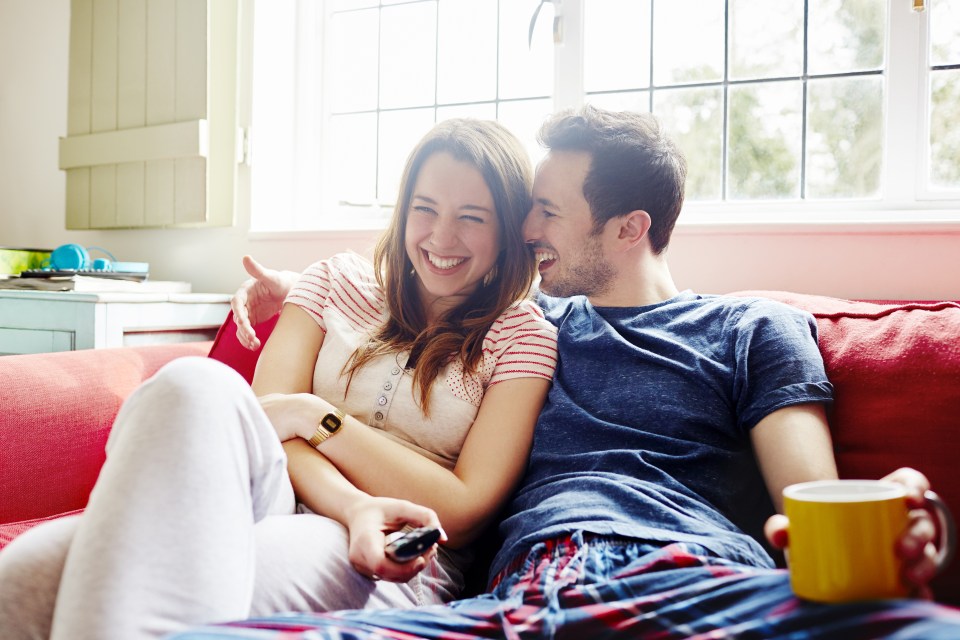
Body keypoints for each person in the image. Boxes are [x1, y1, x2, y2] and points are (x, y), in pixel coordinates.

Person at [191, 105, 960, 639]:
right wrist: (302, 293)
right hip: (526, 597)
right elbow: (414, 302)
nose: (526, 231)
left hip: (692, 581)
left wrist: (896, 526)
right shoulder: (527, 332)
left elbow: (810, 505)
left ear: (630, 229)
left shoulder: (753, 330)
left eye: (548, 212)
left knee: (925, 630)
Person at [0, 118, 559, 639]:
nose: (441, 237)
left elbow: (461, 510)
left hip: (386, 547)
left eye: (472, 217)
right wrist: (347, 498)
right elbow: (262, 420)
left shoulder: (523, 338)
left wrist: (318, 417)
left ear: (508, 230)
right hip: (268, 491)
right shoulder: (335, 281)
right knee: (193, 384)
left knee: (39, 583)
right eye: (425, 208)